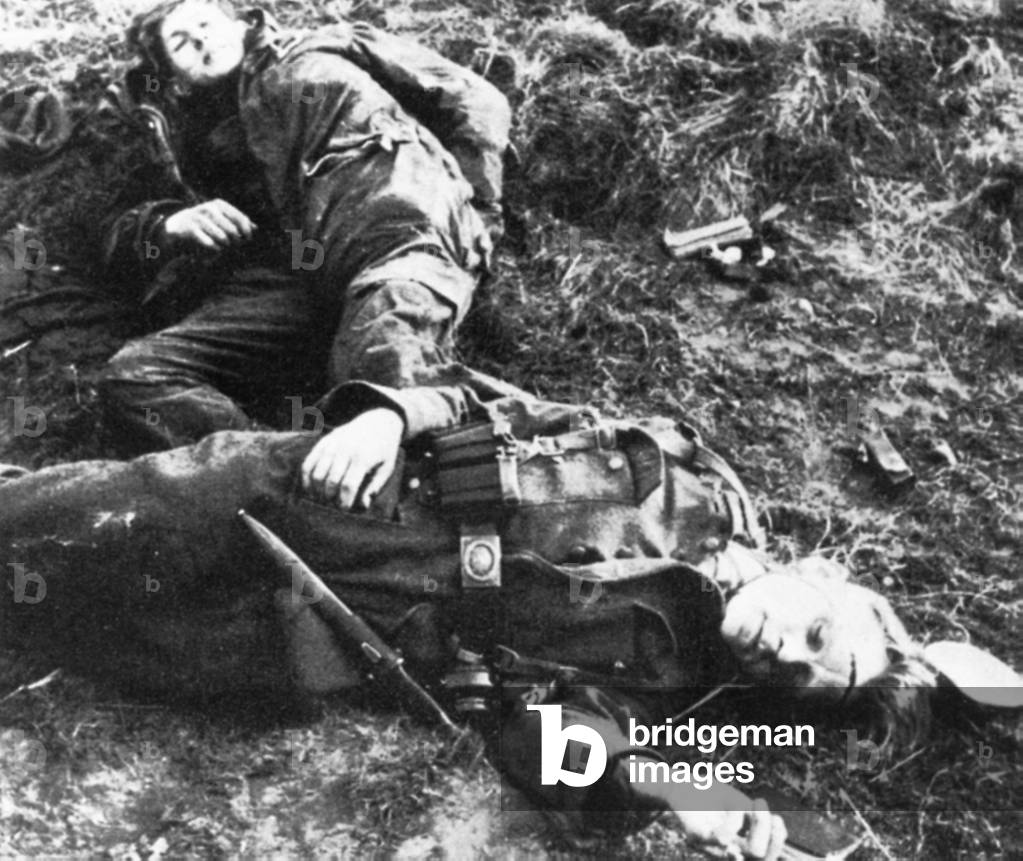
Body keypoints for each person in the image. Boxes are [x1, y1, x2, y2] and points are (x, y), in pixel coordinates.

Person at [5, 377, 1008, 860]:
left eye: (793, 677)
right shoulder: (690, 475)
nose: (781, 650)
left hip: (315, 629)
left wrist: (690, 801)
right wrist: (388, 415)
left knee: (47, 622)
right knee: (52, 519)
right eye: (814, 635)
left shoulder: (678, 694)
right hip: (332, 497)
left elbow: (564, 747)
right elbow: (493, 402)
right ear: (819, 577)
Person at [93, 0, 511, 508]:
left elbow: (477, 100)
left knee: (383, 386)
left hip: (392, 238)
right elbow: (108, 225)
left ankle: (367, 511)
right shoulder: (184, 137)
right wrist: (170, 222)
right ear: (171, 73)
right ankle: (282, 487)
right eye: (181, 42)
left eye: (205, 24)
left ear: (240, 22)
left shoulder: (325, 44)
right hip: (293, 276)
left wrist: (475, 208)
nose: (200, 41)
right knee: (137, 375)